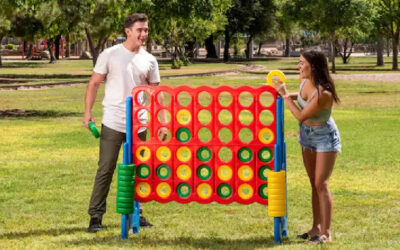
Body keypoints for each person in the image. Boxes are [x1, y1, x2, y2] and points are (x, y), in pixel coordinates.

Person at [83, 13, 160, 233]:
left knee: (138, 170)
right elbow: (94, 84)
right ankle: (95, 217)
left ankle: (137, 214)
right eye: (139, 30)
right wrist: (87, 113)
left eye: (146, 30)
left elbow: (156, 91)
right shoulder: (110, 54)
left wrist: (162, 122)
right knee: (106, 169)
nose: (143, 34)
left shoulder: (149, 59)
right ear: (128, 31)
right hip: (113, 121)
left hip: (139, 124)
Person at [274, 50, 341, 244]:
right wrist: (283, 94)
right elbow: (302, 98)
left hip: (324, 137)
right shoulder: (304, 81)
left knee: (321, 184)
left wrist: (285, 96)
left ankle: (326, 234)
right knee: (314, 183)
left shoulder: (324, 93)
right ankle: (315, 228)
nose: (298, 66)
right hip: (307, 137)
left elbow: (301, 116)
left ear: (314, 66)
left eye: (302, 63)